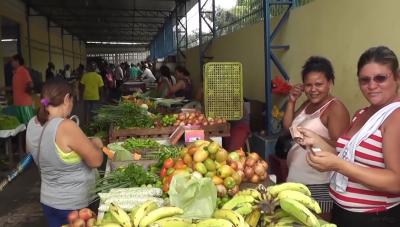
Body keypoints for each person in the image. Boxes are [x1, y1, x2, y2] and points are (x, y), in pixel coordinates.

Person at [298, 46, 400, 227]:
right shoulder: (361, 113)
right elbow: (347, 154)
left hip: (374, 218)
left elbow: (396, 181)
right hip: (343, 213)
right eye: (365, 80)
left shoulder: (395, 116)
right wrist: (317, 140)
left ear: (397, 78)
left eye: (380, 78)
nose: (371, 85)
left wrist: (339, 166)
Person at [26, 78, 103, 227]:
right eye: (72, 101)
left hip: (50, 202)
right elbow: (96, 161)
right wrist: (96, 145)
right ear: (67, 99)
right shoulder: (66, 126)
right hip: (72, 206)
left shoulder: (40, 125)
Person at [282, 56, 350, 219]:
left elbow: (342, 149)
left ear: (330, 83)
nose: (313, 89)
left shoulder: (335, 108)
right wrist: (291, 102)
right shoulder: (307, 104)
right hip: (296, 179)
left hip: (319, 183)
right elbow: (288, 129)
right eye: (308, 85)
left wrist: (315, 139)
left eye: (318, 84)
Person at [11, 54, 35, 125]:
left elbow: (31, 84)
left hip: (24, 104)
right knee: (21, 126)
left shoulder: (23, 71)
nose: (11, 63)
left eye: (12, 61)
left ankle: (30, 136)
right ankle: (23, 136)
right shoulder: (15, 73)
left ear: (17, 61)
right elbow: (16, 87)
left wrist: (27, 92)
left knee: (28, 124)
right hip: (17, 103)